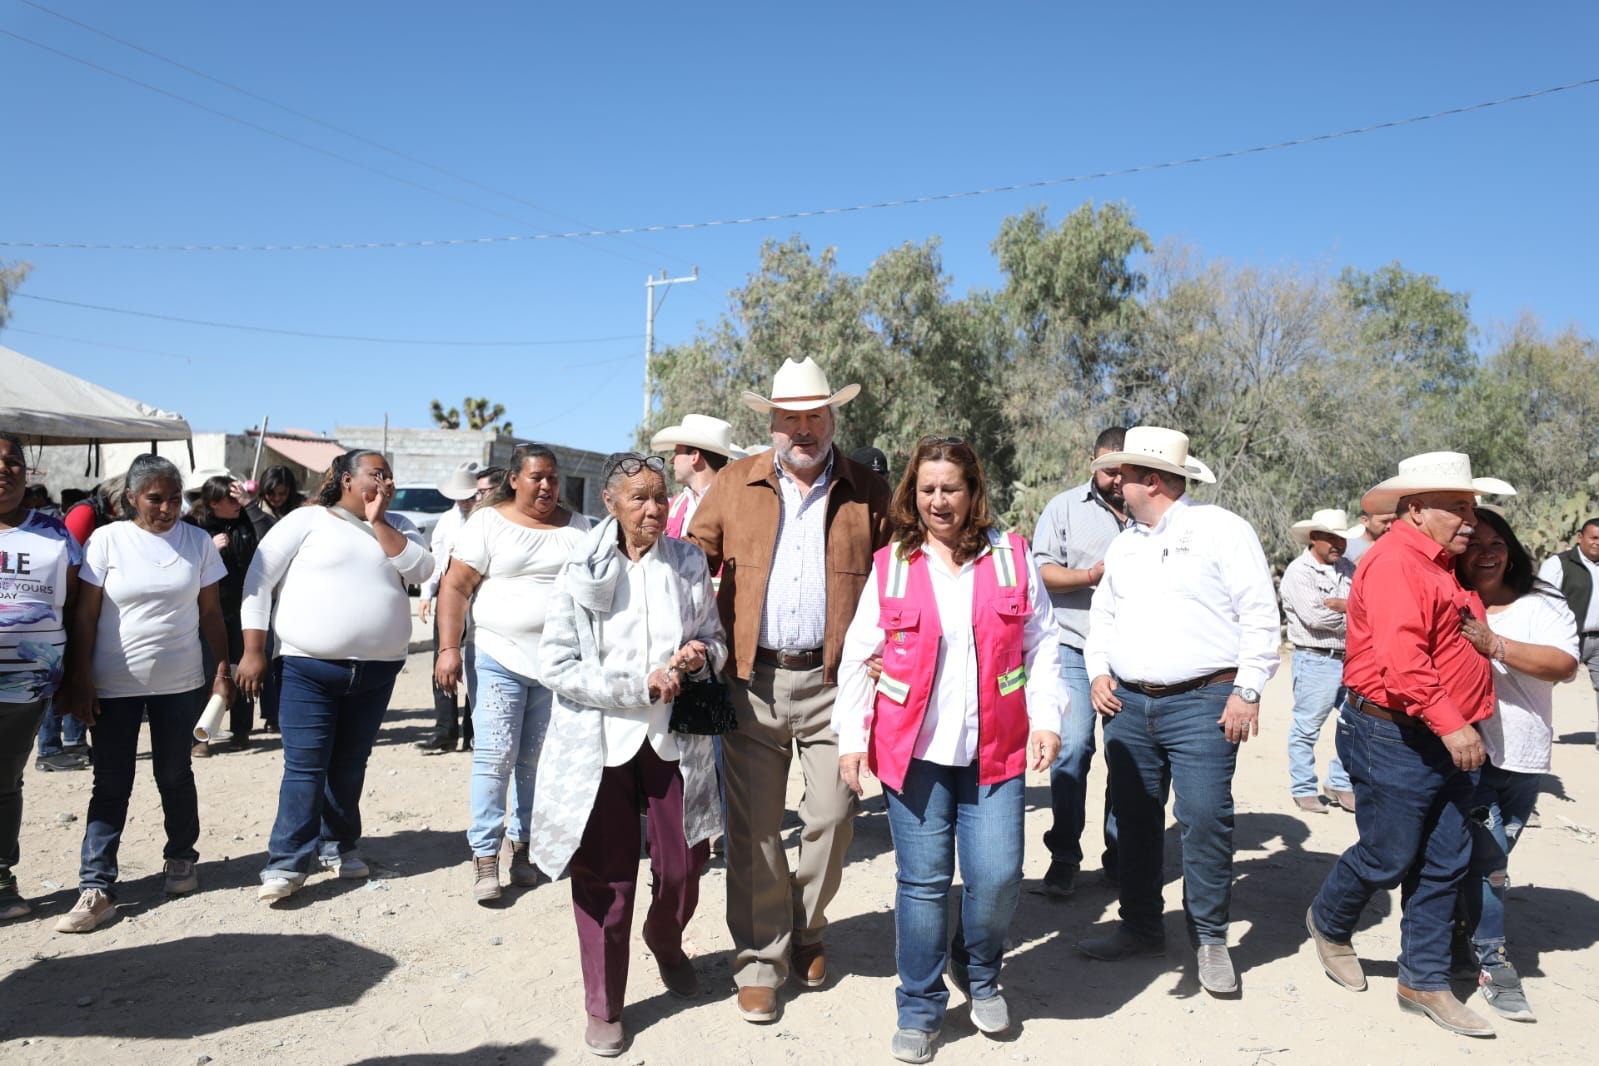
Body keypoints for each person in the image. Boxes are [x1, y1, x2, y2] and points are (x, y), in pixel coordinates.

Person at [837, 436, 1064, 1063]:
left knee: (996, 876)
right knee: (924, 884)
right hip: (914, 755)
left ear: (973, 493)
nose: (940, 501)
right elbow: (859, 657)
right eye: (927, 488)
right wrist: (853, 741)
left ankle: (980, 968)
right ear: (913, 493)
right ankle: (919, 1005)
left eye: (952, 488)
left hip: (995, 750)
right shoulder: (894, 564)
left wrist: (1047, 718)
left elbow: (1043, 644)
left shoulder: (1012, 558)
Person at [686, 356, 893, 1023]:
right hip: (751, 681)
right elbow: (691, 561)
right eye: (788, 419)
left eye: (814, 416)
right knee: (754, 835)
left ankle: (806, 921)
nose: (802, 430)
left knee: (833, 818)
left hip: (840, 684)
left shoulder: (866, 489)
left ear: (833, 417)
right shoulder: (733, 484)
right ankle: (759, 960)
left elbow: (901, 574)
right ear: (770, 423)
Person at [1306, 451, 1513, 1039]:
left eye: (1472, 506)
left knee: (1446, 858)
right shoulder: (1398, 562)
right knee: (1390, 853)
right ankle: (1329, 919)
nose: (1470, 518)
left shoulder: (1444, 563)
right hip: (1395, 733)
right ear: (1416, 510)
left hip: (1445, 734)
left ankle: (1422, 979)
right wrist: (1452, 723)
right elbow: (1402, 662)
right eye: (1458, 506)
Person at [530, 451, 726, 1056]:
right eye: (638, 497)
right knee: (604, 877)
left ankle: (666, 936)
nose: (653, 508)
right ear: (609, 503)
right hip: (602, 744)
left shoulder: (688, 560)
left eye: (661, 497)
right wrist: (633, 687)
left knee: (685, 863)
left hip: (675, 737)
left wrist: (698, 656)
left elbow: (715, 641)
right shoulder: (579, 565)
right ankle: (605, 1005)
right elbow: (556, 665)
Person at [1076, 427, 1279, 996]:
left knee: (1205, 819)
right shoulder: (1125, 544)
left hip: (1205, 702)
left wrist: (1248, 690)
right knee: (1135, 821)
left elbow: (1260, 615)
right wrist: (1096, 672)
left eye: (1125, 475)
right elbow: (1104, 619)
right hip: (1128, 702)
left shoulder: (1221, 530)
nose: (1115, 483)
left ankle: (1210, 939)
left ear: (1155, 481)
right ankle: (1140, 927)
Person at [237, 449, 433, 903]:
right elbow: (257, 583)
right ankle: (286, 862)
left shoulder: (398, 525)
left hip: (377, 671)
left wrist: (379, 520)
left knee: (348, 766)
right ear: (345, 479)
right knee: (305, 767)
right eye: (375, 474)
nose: (385, 482)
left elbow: (422, 571)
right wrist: (252, 650)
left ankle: (339, 844)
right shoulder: (307, 522)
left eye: (390, 476)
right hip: (309, 667)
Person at [55, 455, 233, 932]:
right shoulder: (107, 540)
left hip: (179, 683)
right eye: (155, 498)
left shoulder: (196, 542)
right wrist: (81, 677)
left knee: (174, 773)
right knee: (111, 783)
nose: (168, 507)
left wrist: (222, 669)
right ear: (130, 498)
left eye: (175, 498)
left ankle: (181, 858)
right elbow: (86, 616)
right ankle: (96, 886)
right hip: (113, 686)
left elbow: (212, 614)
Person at [435, 446, 587, 903]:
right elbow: (456, 586)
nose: (547, 486)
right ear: (516, 480)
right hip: (497, 655)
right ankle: (485, 855)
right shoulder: (488, 522)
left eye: (553, 478)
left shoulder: (579, 527)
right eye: (537, 477)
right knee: (494, 756)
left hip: (557, 664)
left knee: (534, 761)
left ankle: (523, 849)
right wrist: (447, 649)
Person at [1455, 508, 1577, 1021]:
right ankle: (1492, 961)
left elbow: (1564, 665)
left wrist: (1495, 645)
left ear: (1512, 548)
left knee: (1483, 861)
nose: (1486, 552)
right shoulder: (1450, 598)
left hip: (1523, 756)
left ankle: (1461, 938)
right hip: (1464, 755)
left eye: (1496, 542)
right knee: (1489, 864)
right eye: (1475, 544)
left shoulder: (1540, 604)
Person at [1031, 426, 1127, 898]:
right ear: (1093, 463)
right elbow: (1041, 572)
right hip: (1073, 646)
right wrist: (1092, 575)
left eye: (1122, 469)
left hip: (1131, 657)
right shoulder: (1065, 507)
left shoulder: (1150, 514)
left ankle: (1120, 855)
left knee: (1126, 759)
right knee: (1071, 752)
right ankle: (1064, 855)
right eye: (1107, 469)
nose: (1115, 478)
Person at [1, 432, 84, 920]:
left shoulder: (54, 535)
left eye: (14, 461)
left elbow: (75, 612)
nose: (6, 468)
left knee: (3, 780)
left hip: (25, 691)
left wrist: (74, 679)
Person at [183, 475, 275, 754]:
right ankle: (200, 736)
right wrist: (209, 550)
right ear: (213, 503)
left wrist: (249, 505)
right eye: (231, 499)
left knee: (244, 669)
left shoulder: (247, 520)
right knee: (207, 673)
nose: (237, 504)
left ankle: (242, 729)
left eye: (239, 498)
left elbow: (271, 536)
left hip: (243, 610)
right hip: (206, 613)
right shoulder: (192, 527)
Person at [417, 462, 497, 754]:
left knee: (478, 664)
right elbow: (437, 562)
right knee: (444, 660)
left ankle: (473, 731)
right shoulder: (446, 523)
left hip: (480, 599)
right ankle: (445, 729)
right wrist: (428, 593)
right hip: (451, 599)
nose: (466, 500)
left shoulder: (488, 520)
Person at [1280, 508, 1357, 814]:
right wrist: (1357, 612)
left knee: (1354, 724)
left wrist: (1345, 607)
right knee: (1307, 726)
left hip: (1348, 658)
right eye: (1331, 537)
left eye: (1341, 537)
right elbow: (1315, 618)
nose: (1338, 543)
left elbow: (1367, 605)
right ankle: (1303, 787)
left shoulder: (1349, 568)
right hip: (1316, 659)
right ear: (1315, 538)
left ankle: (1339, 781)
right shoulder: (1299, 572)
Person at [1537, 518, 1599, 749]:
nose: (1597, 543)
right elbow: (1541, 600)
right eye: (1593, 538)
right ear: (1580, 538)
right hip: (1565, 639)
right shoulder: (1559, 564)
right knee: (1539, 684)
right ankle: (1532, 733)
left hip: (1598, 639)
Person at [649, 414, 743, 538]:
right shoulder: (676, 504)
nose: (672, 460)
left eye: (677, 453)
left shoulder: (736, 503)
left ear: (694, 456)